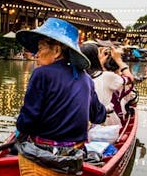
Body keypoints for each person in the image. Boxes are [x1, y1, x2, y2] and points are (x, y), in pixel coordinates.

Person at [15, 18, 107, 147]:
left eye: (40, 48)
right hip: (77, 152)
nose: (37, 54)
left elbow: (28, 119)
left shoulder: (41, 73)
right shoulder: (87, 79)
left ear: (57, 51)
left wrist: (19, 131)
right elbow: (99, 116)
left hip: (44, 149)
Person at [80, 42, 134, 126]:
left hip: (86, 120)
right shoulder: (107, 76)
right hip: (105, 120)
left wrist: (99, 62)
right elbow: (130, 79)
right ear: (95, 58)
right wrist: (118, 59)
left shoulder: (80, 76)